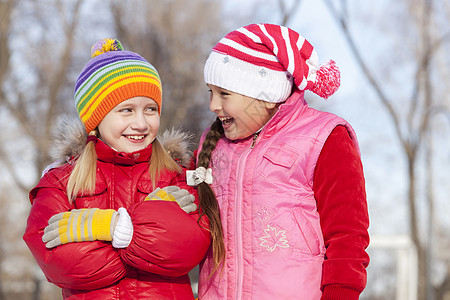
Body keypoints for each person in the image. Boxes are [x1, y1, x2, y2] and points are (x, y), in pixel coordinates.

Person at [23, 38, 215, 299]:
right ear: (96, 119)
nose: (140, 123)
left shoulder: (178, 175)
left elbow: (187, 249)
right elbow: (63, 264)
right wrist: (151, 225)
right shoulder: (60, 183)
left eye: (150, 109)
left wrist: (108, 226)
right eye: (126, 110)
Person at [192, 23, 370, 299]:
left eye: (224, 94)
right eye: (210, 93)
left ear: (265, 96)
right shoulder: (212, 146)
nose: (213, 105)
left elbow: (347, 236)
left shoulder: (324, 137)